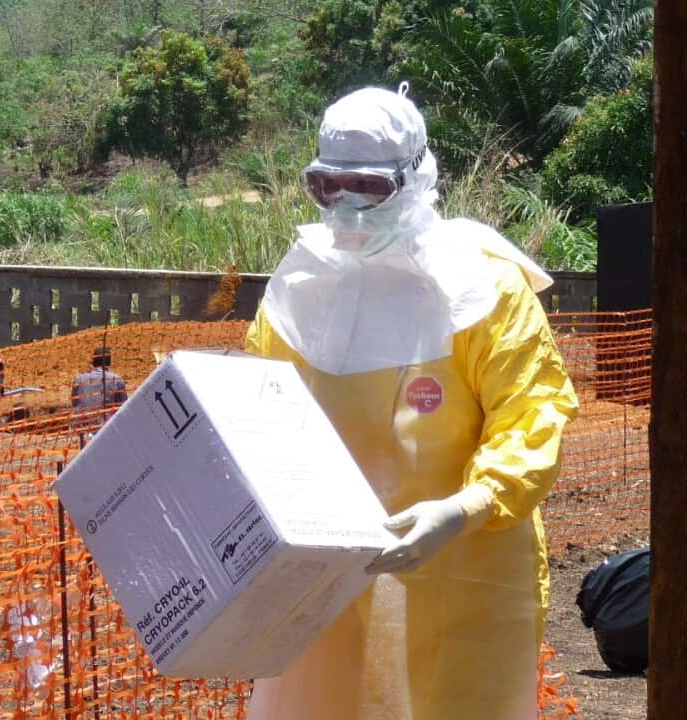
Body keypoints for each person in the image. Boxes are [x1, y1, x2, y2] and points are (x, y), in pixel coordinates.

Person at [243, 84, 579, 720]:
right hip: (327, 581)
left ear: (415, 177)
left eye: (367, 187)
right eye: (327, 186)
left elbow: (532, 412)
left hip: (463, 578)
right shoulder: (302, 286)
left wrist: (466, 506)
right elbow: (258, 408)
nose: (346, 206)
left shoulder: (483, 286)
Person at [69, 346, 128, 431]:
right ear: (109, 362)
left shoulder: (79, 379)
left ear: (93, 362)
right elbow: (123, 407)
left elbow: (75, 403)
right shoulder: (116, 379)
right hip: (105, 430)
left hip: (81, 429)